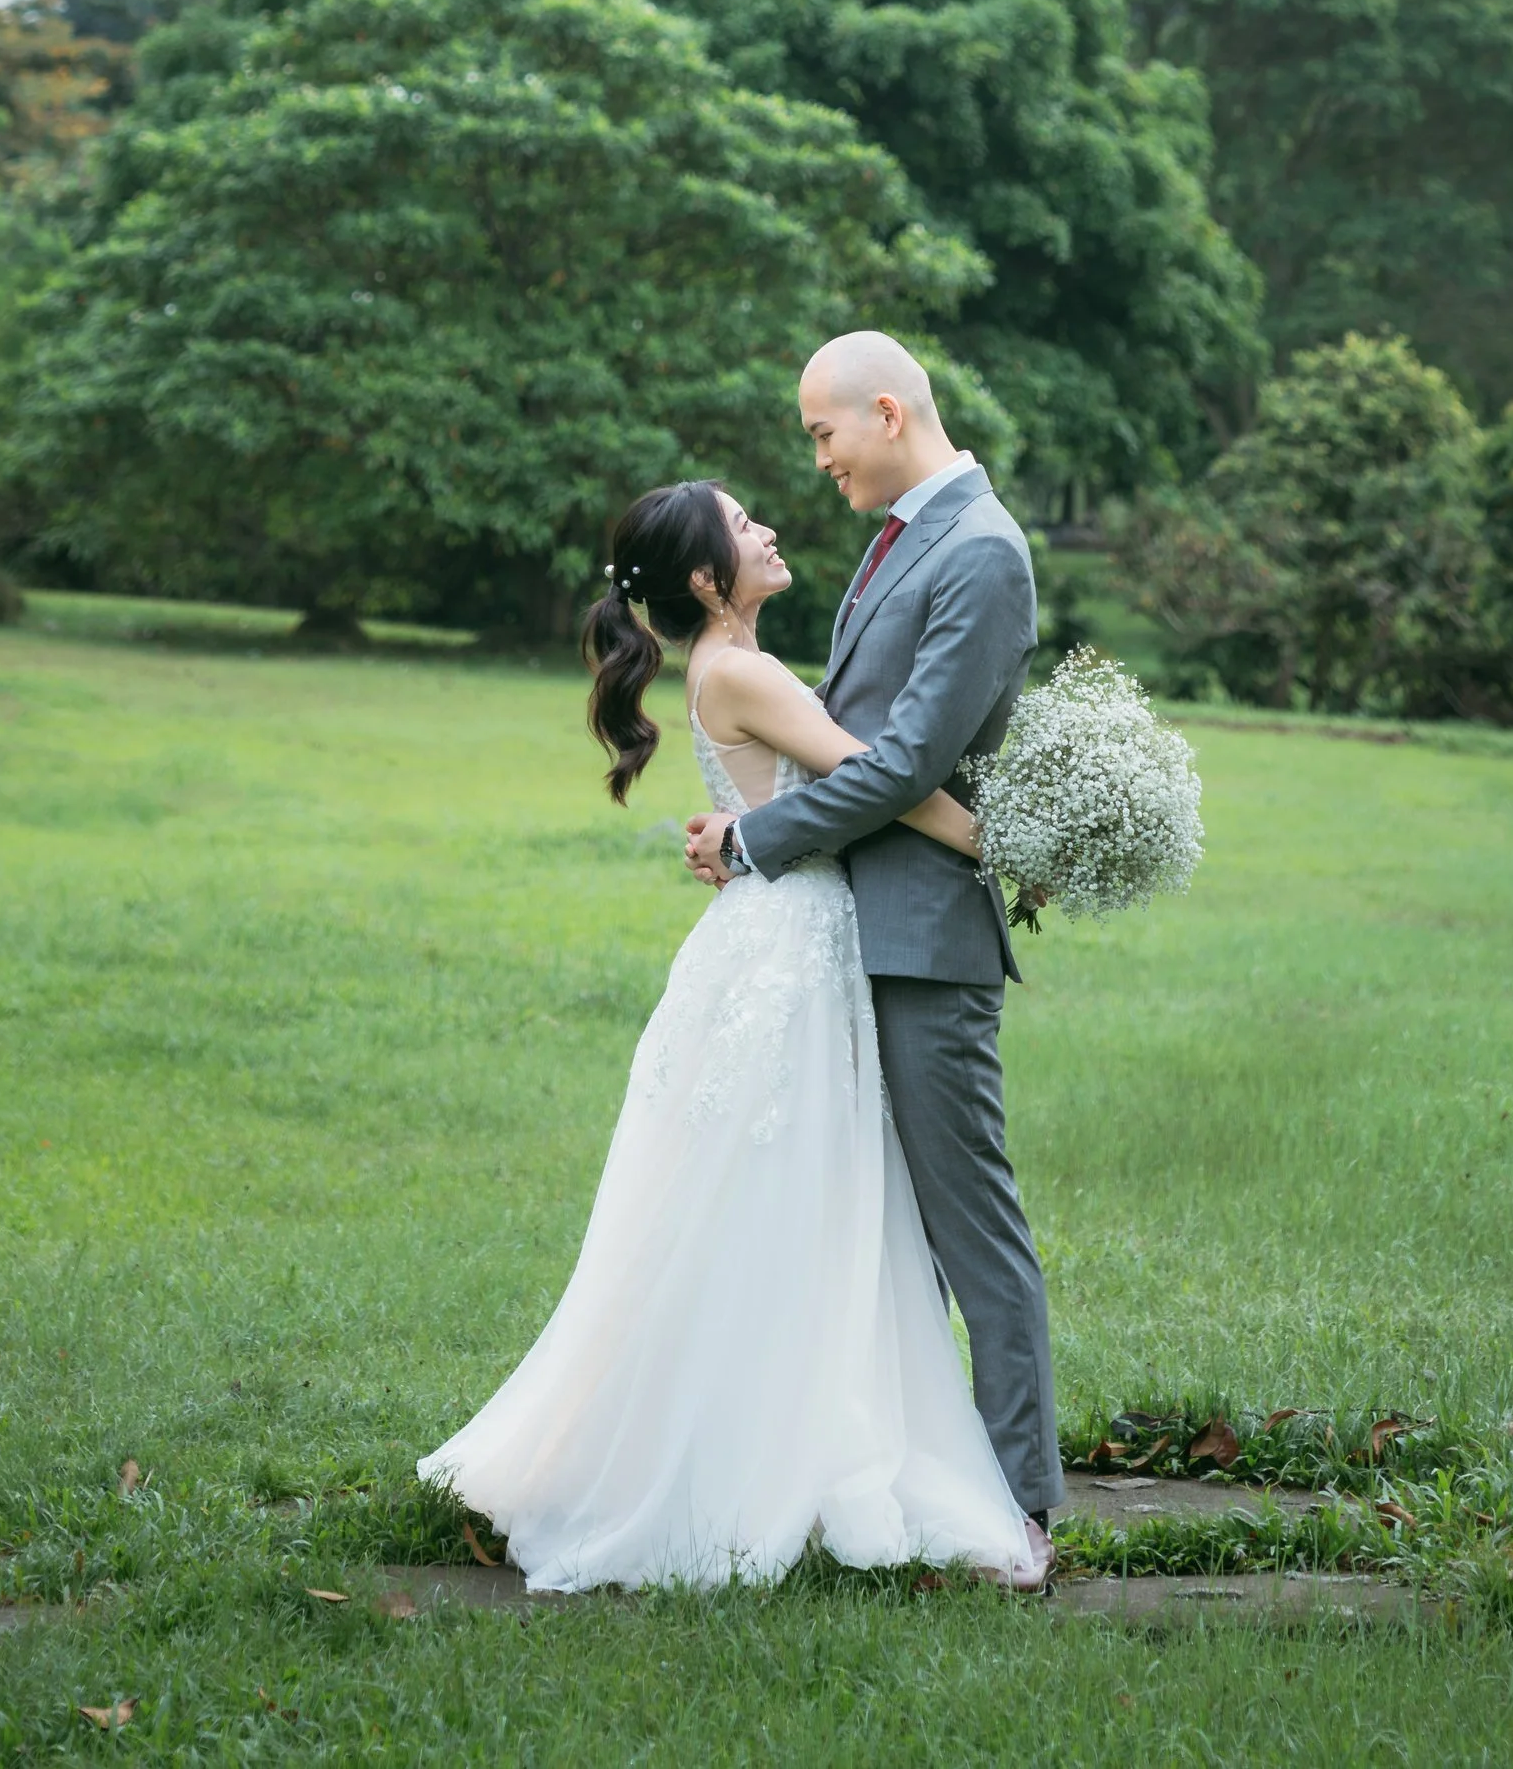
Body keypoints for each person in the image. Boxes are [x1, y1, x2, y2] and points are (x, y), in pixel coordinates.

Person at [417, 465, 1033, 1591]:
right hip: (789, 951)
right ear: (708, 579)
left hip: (775, 937)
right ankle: (750, 1466)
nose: (772, 527)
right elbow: (881, 777)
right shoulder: (737, 669)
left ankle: (759, 1437)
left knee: (759, 1202)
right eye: (748, 527)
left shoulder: (723, 664)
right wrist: (1013, 844)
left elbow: (794, 790)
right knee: (784, 1201)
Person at [688, 332, 1062, 1583]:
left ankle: (1019, 1505)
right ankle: (895, 1473)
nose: (819, 458)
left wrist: (753, 842)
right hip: (854, 933)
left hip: (920, 943)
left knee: (969, 1230)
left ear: (886, 411)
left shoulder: (980, 553)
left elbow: (901, 762)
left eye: (821, 431)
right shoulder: (902, 534)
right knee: (879, 1239)